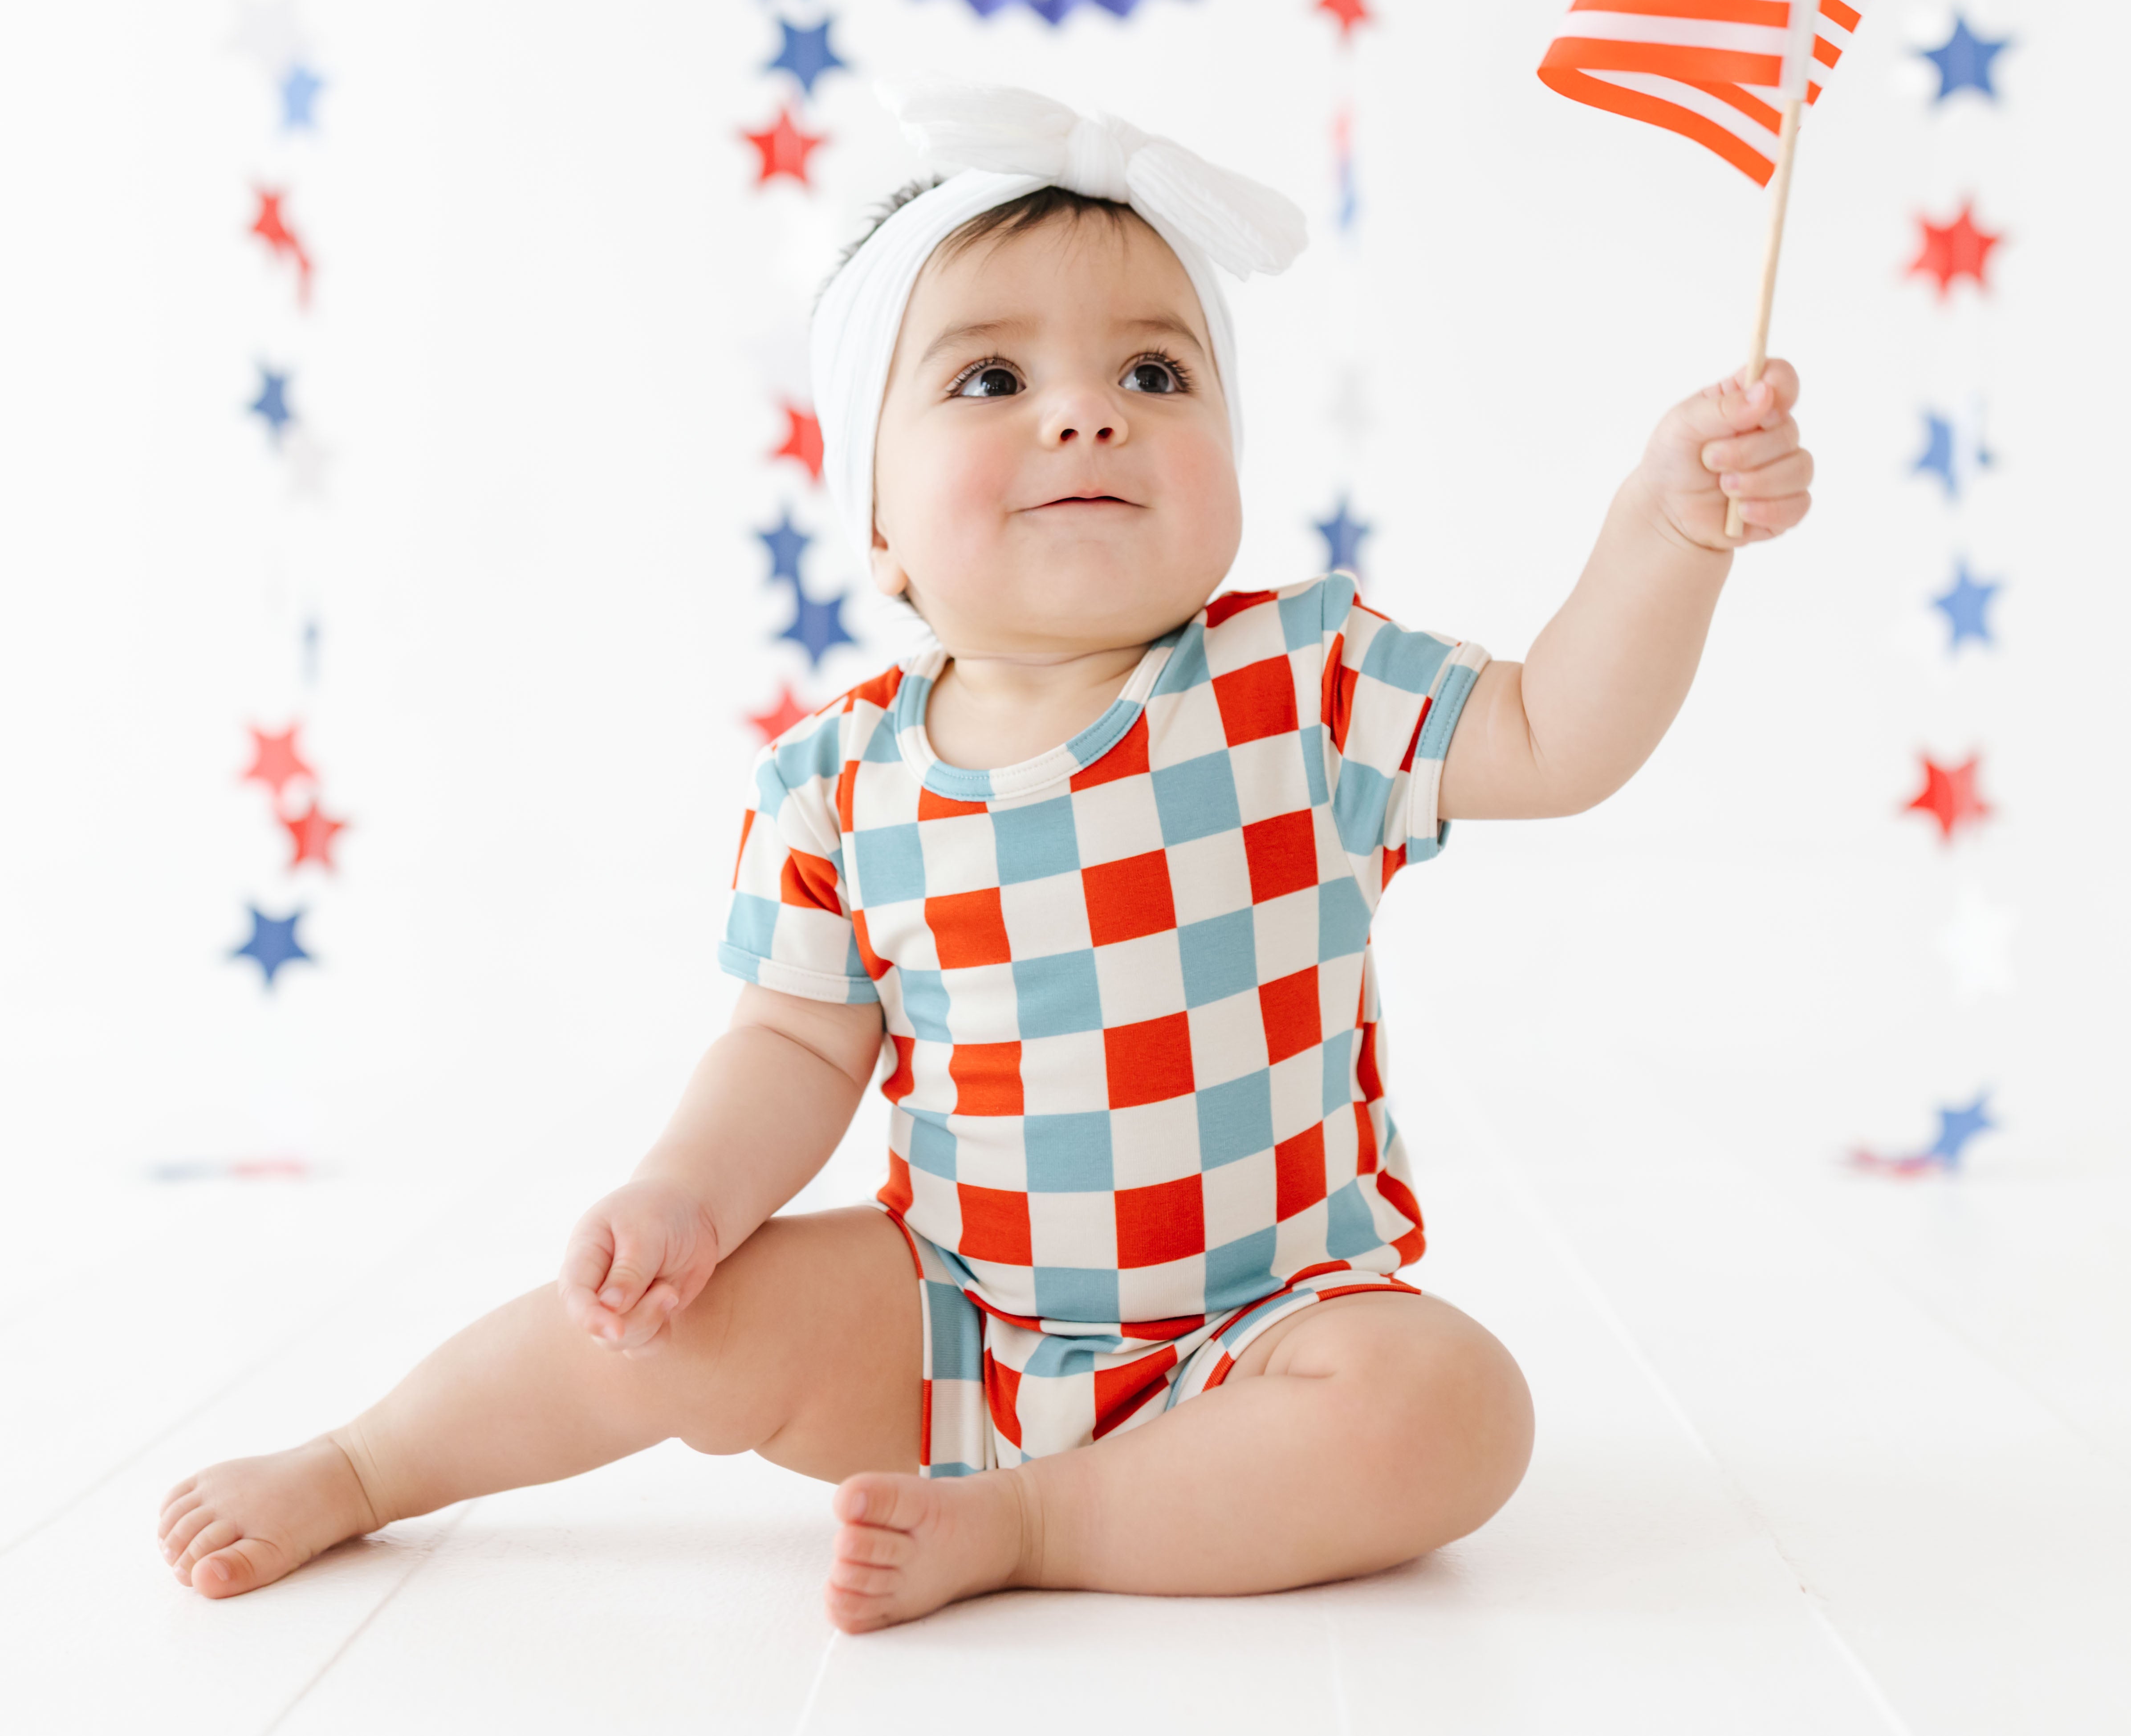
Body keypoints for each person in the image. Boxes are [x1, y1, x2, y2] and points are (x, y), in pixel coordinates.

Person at [157, 82, 1814, 1632]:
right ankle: (370, 1462)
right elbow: (797, 1042)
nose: (1087, 413)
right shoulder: (839, 784)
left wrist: (1660, 534)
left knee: (1454, 1412)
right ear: (874, 511)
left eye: (1157, 376)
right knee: (661, 1322)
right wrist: (687, 1192)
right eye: (991, 380)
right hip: (948, 1317)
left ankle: (1048, 1522)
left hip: (1271, 1328)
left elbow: (1555, 736)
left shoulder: (1299, 684)